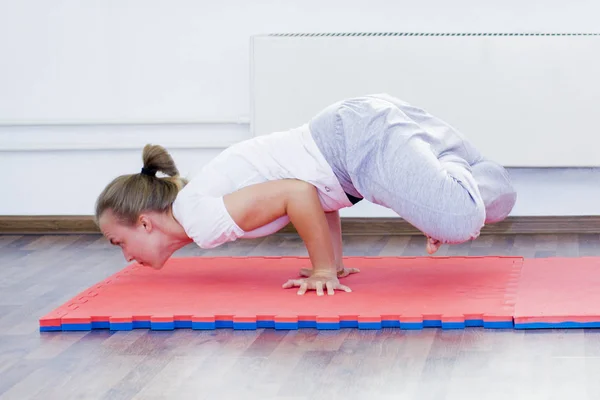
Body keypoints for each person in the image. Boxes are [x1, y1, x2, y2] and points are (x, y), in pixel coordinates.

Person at [95, 93, 517, 296]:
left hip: (354, 141)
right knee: (497, 203)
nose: (125, 254)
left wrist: (322, 272)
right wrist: (334, 261)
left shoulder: (200, 220)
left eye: (119, 241)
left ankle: (447, 173)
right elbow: (313, 193)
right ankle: (448, 172)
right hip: (354, 133)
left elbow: (297, 193)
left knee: (457, 221)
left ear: (146, 222)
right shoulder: (198, 206)